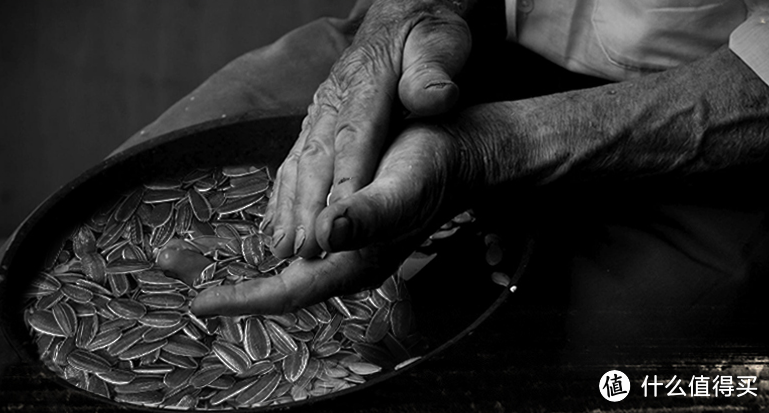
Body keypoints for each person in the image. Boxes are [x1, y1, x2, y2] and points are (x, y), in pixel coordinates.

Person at [120, 0, 769, 346]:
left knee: (632, 364)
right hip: (465, 31)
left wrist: (489, 150)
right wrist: (404, 16)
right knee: (140, 203)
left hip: (718, 100)